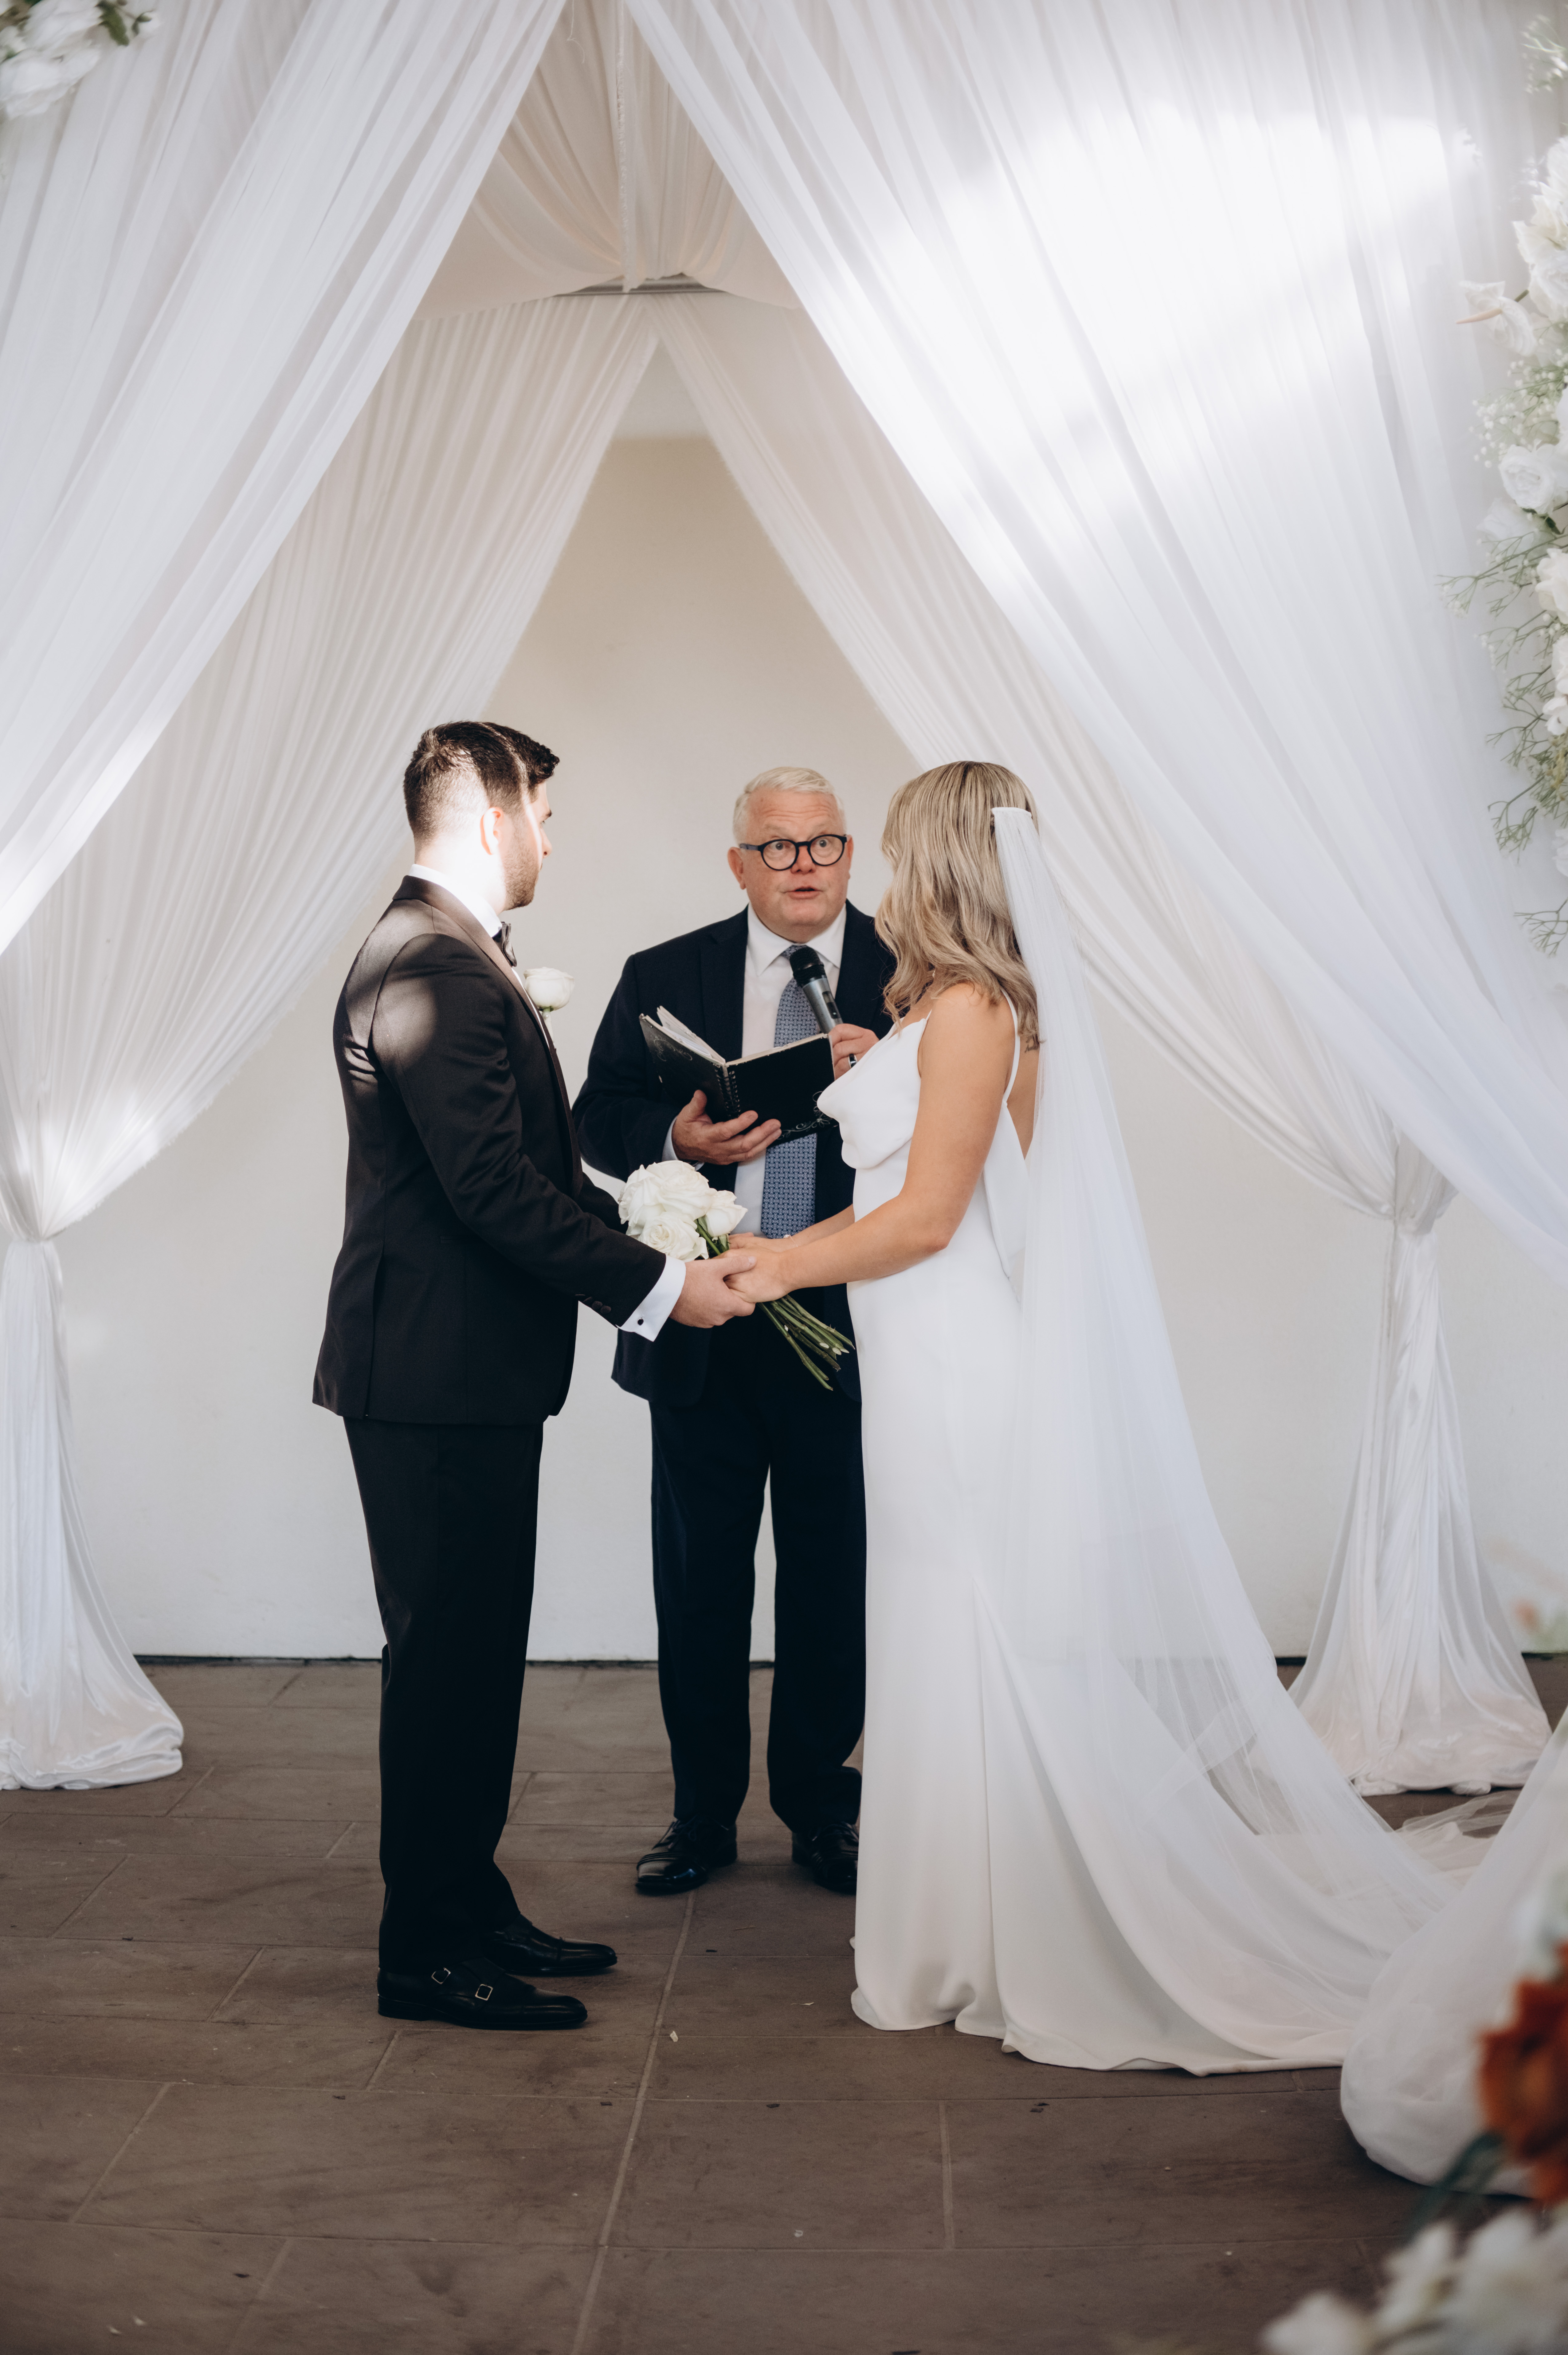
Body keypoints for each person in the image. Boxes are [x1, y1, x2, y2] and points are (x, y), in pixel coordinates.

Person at [730, 761, 1450, 2070]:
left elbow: (930, 1219)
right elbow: (893, 1198)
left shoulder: (974, 1010)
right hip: (915, 1356)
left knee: (972, 1624)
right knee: (940, 1627)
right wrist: (770, 1250)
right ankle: (963, 1923)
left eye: (896, 847)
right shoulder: (946, 1006)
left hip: (951, 1362)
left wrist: (777, 1266)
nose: (883, 873)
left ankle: (1002, 1930)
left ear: (942, 859)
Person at [313, 721, 755, 2032]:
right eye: (546, 817)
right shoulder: (430, 965)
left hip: (470, 1373)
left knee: (478, 1654)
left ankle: (468, 1896)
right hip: (431, 1376)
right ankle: (423, 1950)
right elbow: (492, 1189)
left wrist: (661, 1224)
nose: (553, 842)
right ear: (494, 815)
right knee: (445, 1662)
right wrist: (664, 1286)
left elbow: (535, 1169)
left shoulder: (454, 952)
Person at [574, 767, 894, 1898]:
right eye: (778, 847)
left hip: (851, 1320)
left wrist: (885, 1079)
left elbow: (961, 1142)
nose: (804, 865)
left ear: (850, 852)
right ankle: (701, 1817)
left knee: (834, 1577)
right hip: (703, 1318)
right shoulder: (665, 973)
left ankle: (823, 1808)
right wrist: (679, 1139)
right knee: (700, 1581)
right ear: (739, 863)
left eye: (825, 843)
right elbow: (595, 1120)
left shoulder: (913, 972)